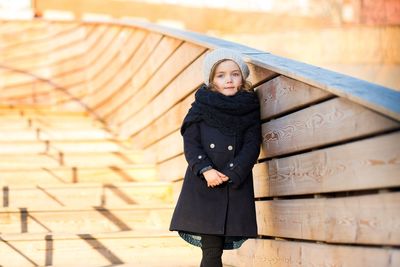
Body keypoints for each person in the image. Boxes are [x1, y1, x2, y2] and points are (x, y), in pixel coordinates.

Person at [169, 48, 261, 267]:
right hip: (205, 184)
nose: (228, 80)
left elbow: (251, 145)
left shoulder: (249, 107)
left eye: (234, 74)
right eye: (221, 75)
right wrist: (205, 169)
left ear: (243, 77)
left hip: (232, 183)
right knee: (211, 253)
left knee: (215, 251)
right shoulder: (200, 107)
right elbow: (191, 142)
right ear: (211, 80)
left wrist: (233, 172)